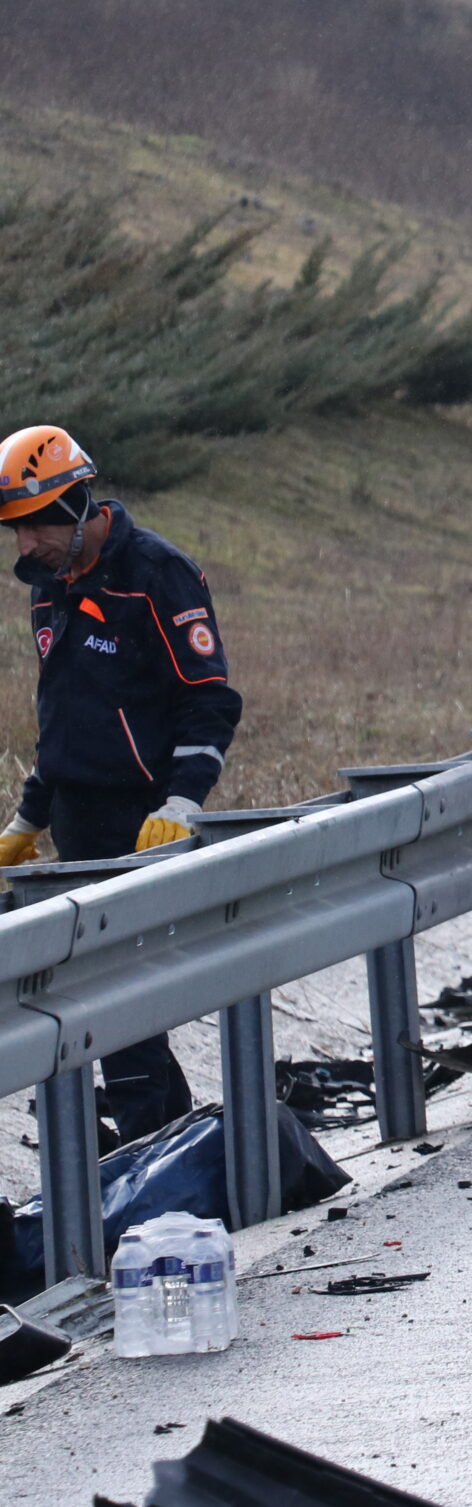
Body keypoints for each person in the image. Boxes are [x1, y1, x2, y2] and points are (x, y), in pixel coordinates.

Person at [0, 426, 240, 1143]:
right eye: (14, 531)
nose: (25, 547)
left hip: (142, 825)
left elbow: (210, 700)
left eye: (34, 526)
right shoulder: (48, 585)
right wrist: (28, 819)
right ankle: (172, 1145)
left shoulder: (157, 573)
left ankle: (146, 1152)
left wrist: (182, 801)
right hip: (76, 823)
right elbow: (66, 721)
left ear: (76, 505)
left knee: (114, 1000)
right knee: (102, 1002)